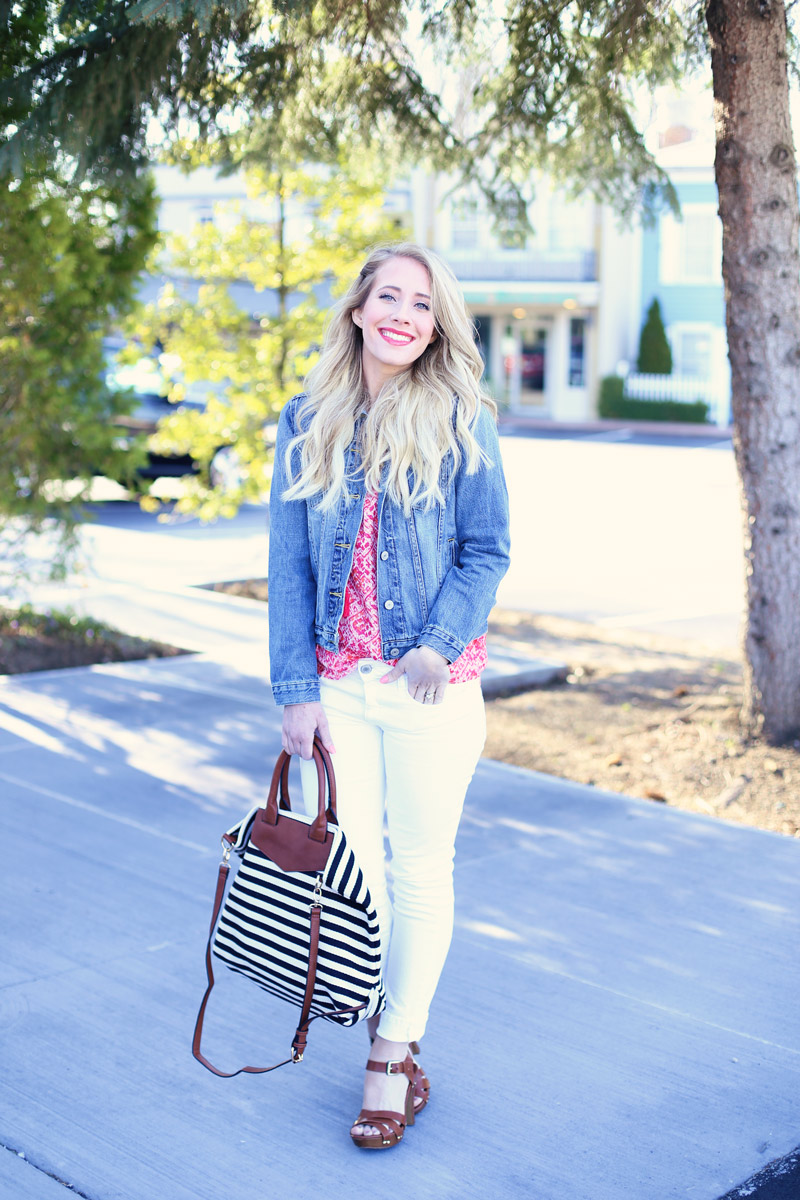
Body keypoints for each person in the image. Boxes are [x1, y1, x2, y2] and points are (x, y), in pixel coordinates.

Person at [268, 242, 510, 1150]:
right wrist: (296, 691)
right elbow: (288, 564)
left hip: (429, 693)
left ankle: (389, 1056)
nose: (405, 314)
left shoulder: (460, 418)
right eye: (390, 297)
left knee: (420, 868)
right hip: (337, 686)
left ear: (436, 322)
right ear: (361, 311)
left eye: (424, 302)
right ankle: (396, 1046)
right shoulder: (306, 418)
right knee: (357, 878)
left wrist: (438, 645)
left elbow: (488, 549)